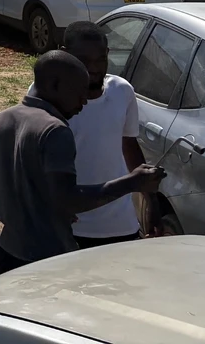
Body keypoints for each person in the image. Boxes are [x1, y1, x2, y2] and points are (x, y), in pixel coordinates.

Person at [0, 50, 165, 278]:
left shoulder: (3, 118)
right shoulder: (55, 130)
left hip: (8, 252)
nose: (84, 101)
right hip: (48, 262)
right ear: (55, 85)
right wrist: (133, 182)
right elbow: (68, 200)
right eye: (78, 92)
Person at [55, 21, 149, 246]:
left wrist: (150, 198)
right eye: (84, 61)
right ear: (65, 54)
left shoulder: (122, 91)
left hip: (120, 225)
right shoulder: (49, 94)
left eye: (100, 59)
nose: (94, 68)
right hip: (69, 226)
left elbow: (129, 145)